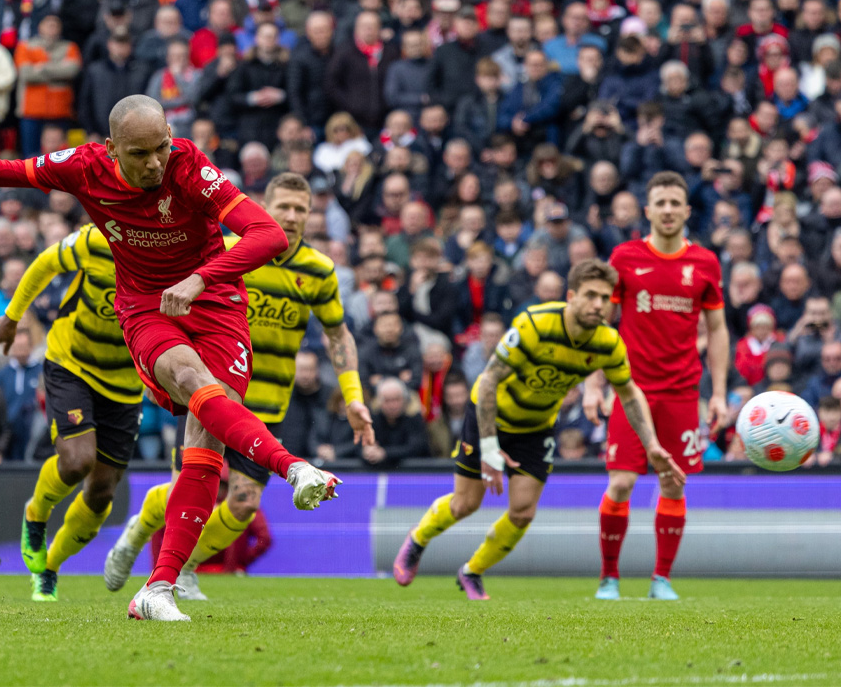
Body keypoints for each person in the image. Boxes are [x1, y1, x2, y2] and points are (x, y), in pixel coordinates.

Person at [0, 95, 339, 622]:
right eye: (141, 154)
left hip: (215, 301)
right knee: (189, 380)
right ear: (112, 148)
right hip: (145, 308)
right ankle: (292, 466)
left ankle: (157, 588)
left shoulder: (189, 167)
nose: (156, 163)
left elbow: (269, 234)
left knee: (205, 444)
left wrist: (200, 277)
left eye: (161, 147)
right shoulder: (82, 167)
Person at [102, 172, 375, 601]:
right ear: (263, 206)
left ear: (310, 215)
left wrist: (354, 397)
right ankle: (142, 539)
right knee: (187, 487)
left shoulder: (319, 271)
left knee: (243, 505)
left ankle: (186, 567)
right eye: (282, 206)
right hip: (210, 391)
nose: (290, 216)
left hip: (266, 403)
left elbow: (338, 335)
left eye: (300, 209)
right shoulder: (225, 254)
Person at [392, 259, 684, 600]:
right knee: (465, 505)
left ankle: (472, 571)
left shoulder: (608, 343)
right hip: (490, 416)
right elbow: (488, 383)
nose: (598, 305)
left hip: (536, 427)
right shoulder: (535, 324)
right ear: (572, 296)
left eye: (605, 298)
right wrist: (488, 448)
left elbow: (629, 393)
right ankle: (418, 539)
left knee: (522, 511)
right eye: (590, 295)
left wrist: (651, 445)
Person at [582, 171, 729, 601]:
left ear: (686, 211)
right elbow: (601, 325)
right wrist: (594, 384)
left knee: (674, 484)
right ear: (648, 211)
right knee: (622, 483)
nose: (667, 210)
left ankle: (661, 579)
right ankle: (609, 577)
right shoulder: (624, 257)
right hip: (631, 389)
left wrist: (717, 392)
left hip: (683, 391)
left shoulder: (705, 263)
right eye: (660, 203)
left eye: (674, 203)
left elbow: (718, 330)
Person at [0, 223, 145, 602]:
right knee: (76, 461)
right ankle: (36, 513)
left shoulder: (177, 251)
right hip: (72, 364)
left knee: (102, 492)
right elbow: (44, 262)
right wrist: (12, 316)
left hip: (124, 384)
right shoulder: (98, 238)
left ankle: (49, 568)